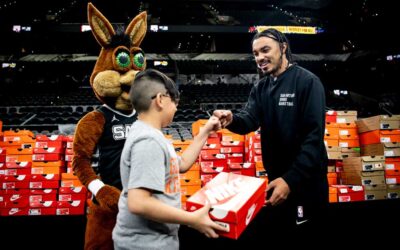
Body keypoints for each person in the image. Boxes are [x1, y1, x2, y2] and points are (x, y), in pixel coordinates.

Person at [213, 28, 329, 239]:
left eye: (265, 50)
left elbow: (313, 140)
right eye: (256, 53)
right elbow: (249, 119)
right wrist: (231, 120)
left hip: (305, 185)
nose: (260, 58)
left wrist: (290, 180)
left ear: (283, 47)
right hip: (277, 184)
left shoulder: (308, 82)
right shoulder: (261, 87)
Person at [112, 69, 227, 250]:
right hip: (144, 244)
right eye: (175, 102)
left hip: (152, 240)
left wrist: (205, 132)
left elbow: (180, 165)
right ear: (160, 100)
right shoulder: (148, 141)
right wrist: (192, 219)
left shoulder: (150, 134)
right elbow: (138, 202)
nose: (176, 107)